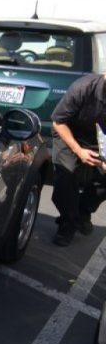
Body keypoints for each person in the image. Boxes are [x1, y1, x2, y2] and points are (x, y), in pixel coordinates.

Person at [49, 73, 106, 246]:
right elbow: (58, 122)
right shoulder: (83, 88)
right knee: (66, 176)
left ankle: (83, 211)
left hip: (99, 138)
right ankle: (68, 222)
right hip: (69, 133)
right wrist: (79, 151)